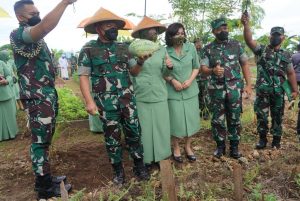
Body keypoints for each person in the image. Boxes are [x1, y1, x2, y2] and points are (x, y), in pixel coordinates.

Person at [10, 0, 75, 199]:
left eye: (38, 11)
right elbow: (45, 26)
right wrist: (64, 3)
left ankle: (46, 176)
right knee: (39, 142)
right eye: (32, 13)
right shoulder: (18, 34)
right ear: (21, 17)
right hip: (37, 98)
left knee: (44, 140)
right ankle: (44, 188)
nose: (37, 14)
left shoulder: (35, 39)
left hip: (45, 96)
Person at [78, 7, 149, 185]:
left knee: (134, 132)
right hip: (105, 103)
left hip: (127, 100)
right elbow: (84, 76)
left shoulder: (124, 47)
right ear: (98, 28)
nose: (114, 29)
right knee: (112, 137)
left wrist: (141, 61)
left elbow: (135, 71)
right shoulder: (88, 49)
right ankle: (118, 171)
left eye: (115, 26)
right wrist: (89, 101)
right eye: (109, 25)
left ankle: (139, 165)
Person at [241, 13, 298, 149]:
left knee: (278, 116)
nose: (276, 37)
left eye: (278, 35)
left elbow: (290, 73)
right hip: (263, 92)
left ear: (283, 38)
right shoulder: (261, 50)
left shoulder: (286, 55)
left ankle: (276, 141)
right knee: (261, 116)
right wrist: (246, 25)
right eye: (274, 35)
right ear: (270, 36)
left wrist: (295, 90)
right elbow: (249, 40)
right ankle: (262, 140)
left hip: (278, 92)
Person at [201, 18, 252, 159]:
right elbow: (203, 68)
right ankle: (220, 146)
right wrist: (212, 71)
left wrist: (248, 85)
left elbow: (245, 64)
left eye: (225, 27)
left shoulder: (236, 45)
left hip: (234, 89)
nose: (224, 30)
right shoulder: (208, 49)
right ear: (214, 31)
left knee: (235, 118)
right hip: (216, 90)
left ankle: (234, 147)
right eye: (220, 28)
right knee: (217, 119)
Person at [129, 16, 172, 169]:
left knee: (161, 127)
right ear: (142, 33)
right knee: (145, 129)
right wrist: (141, 61)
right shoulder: (134, 49)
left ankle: (161, 157)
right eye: (150, 30)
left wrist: (169, 66)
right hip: (142, 93)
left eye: (155, 30)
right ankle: (146, 159)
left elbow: (165, 73)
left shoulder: (161, 50)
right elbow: (133, 72)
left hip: (159, 93)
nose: (153, 33)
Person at [164, 23, 200, 163]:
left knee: (191, 121)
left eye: (182, 33)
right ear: (170, 36)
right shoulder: (165, 51)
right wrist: (172, 81)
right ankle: (176, 147)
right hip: (173, 92)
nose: (181, 35)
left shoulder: (190, 48)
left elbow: (196, 67)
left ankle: (188, 146)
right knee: (176, 122)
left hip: (190, 90)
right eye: (177, 33)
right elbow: (162, 71)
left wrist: (190, 81)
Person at [0, 59, 18, 141]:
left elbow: (10, 75)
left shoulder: (1, 63)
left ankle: (12, 134)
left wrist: (6, 81)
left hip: (5, 93)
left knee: (9, 115)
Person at [194, 38, 211, 120]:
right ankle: (201, 112)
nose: (199, 44)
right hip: (196, 79)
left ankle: (207, 112)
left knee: (206, 95)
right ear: (194, 44)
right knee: (198, 96)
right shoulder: (192, 53)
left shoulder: (205, 52)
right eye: (197, 42)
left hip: (205, 78)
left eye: (200, 42)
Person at [292, 44, 300, 142]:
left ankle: (292, 99)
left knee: (294, 91)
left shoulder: (294, 56)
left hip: (295, 77)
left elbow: (290, 69)